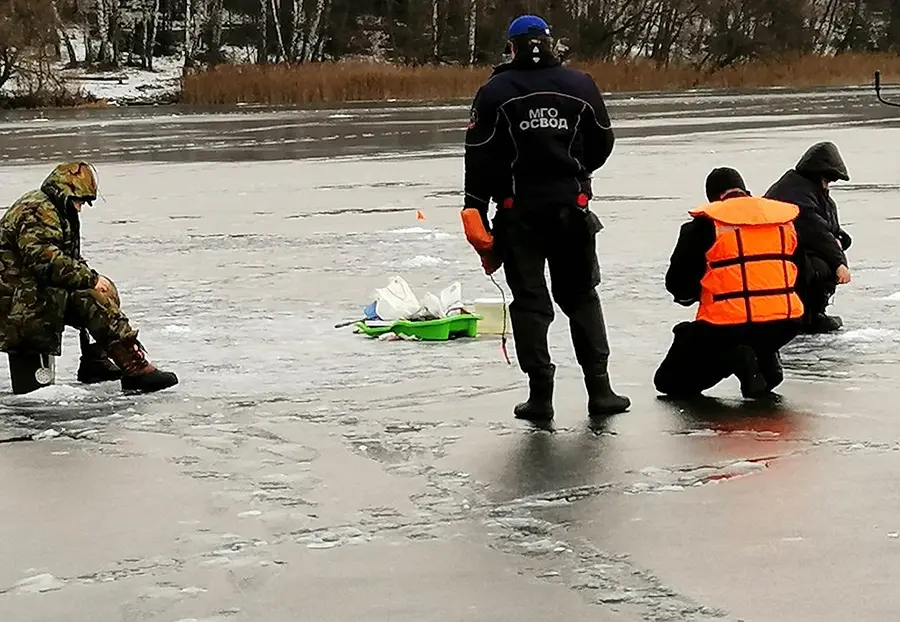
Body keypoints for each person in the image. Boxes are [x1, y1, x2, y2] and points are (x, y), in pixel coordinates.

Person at [460, 15, 630, 423]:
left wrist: (474, 206)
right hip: (572, 208)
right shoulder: (581, 84)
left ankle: (541, 395)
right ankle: (600, 390)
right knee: (582, 297)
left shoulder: (494, 91)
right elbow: (603, 140)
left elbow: (478, 154)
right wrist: (576, 171)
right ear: (549, 43)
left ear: (512, 47)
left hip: (519, 214)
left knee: (532, 304)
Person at [0, 161, 179, 393]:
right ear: (65, 192)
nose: (81, 208)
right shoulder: (37, 211)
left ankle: (97, 360)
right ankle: (135, 369)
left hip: (37, 292)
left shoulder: (56, 209)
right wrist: (90, 279)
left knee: (103, 292)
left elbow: (68, 257)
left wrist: (93, 279)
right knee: (34, 387)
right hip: (19, 301)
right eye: (80, 201)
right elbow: (46, 261)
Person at [654, 167, 805, 399]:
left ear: (714, 200)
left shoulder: (704, 226)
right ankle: (765, 361)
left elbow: (679, 284)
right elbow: (802, 272)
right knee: (759, 333)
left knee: (669, 382)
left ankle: (741, 357)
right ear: (746, 191)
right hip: (785, 323)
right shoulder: (784, 223)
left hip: (727, 328)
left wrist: (698, 294)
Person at [763, 141, 852, 334]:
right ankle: (809, 315)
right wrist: (839, 263)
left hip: (784, 258)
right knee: (822, 267)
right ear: (820, 175)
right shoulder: (797, 194)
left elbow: (828, 227)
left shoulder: (805, 189)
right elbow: (816, 232)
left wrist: (842, 239)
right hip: (781, 261)